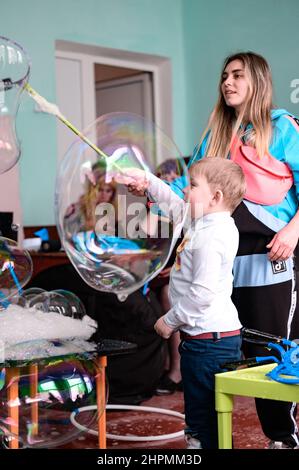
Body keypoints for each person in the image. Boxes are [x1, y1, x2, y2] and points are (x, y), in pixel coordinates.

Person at [184, 52, 299, 449]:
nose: (227, 83)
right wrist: (149, 190)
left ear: (258, 82)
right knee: (220, 351)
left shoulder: (284, 128)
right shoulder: (214, 136)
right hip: (222, 260)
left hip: (272, 253)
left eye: (237, 75)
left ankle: (282, 439)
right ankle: (208, 440)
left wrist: (292, 233)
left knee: (270, 353)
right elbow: (191, 195)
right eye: (224, 76)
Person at [117, 157, 246, 449]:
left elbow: (202, 294)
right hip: (204, 339)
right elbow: (173, 203)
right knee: (205, 415)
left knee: (203, 420)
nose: (185, 191)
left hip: (209, 342)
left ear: (215, 197)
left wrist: (169, 321)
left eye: (193, 185)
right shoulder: (204, 222)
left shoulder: (213, 234)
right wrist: (146, 179)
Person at [151, 159, 183, 394]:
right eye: (163, 179)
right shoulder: (154, 208)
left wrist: (175, 268)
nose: (168, 184)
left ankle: (177, 369)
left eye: (174, 180)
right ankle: (152, 366)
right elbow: (150, 238)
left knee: (167, 294)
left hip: (180, 271)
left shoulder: (189, 208)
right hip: (158, 270)